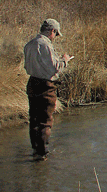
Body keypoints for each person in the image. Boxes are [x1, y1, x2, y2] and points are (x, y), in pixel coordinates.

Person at [24, 19, 72, 161]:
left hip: (32, 83)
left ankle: (36, 149)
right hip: (46, 86)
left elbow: (27, 67)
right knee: (45, 120)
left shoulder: (29, 44)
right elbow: (54, 67)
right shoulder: (45, 45)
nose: (55, 37)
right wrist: (65, 60)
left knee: (34, 118)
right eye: (56, 34)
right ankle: (42, 153)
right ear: (52, 31)